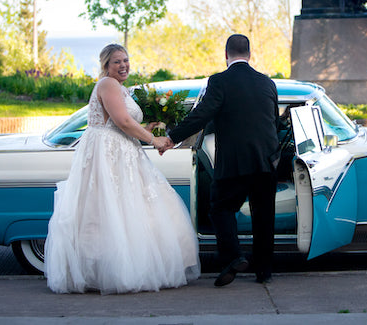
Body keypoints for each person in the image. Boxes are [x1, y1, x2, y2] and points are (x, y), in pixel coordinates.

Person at [45, 44, 200, 294]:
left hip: (123, 149)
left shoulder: (120, 88)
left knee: (134, 206)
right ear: (106, 65)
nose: (123, 65)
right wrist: (154, 141)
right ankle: (110, 271)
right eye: (117, 61)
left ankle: (137, 266)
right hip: (107, 154)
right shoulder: (107, 84)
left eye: (126, 60)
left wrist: (148, 130)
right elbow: (122, 121)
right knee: (110, 207)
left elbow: (126, 124)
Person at [163, 34, 280, 286]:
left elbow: (202, 115)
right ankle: (264, 272)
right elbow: (274, 121)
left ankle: (233, 257)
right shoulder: (267, 83)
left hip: (234, 163)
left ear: (225, 55)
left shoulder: (219, 81)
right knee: (264, 215)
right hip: (265, 161)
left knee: (220, 207)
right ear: (249, 54)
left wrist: (172, 137)